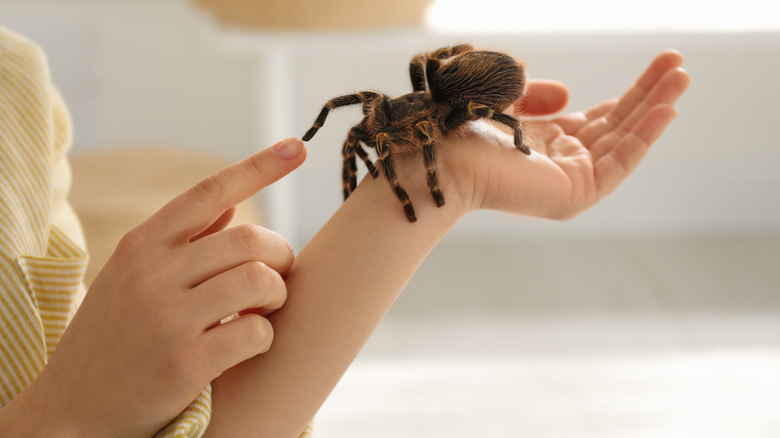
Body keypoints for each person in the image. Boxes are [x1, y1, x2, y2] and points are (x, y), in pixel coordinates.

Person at [0, 25, 690, 437]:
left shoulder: (18, 82)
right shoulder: (397, 115)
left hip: (461, 94)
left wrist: (444, 181)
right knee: (364, 131)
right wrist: (63, 415)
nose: (374, 130)